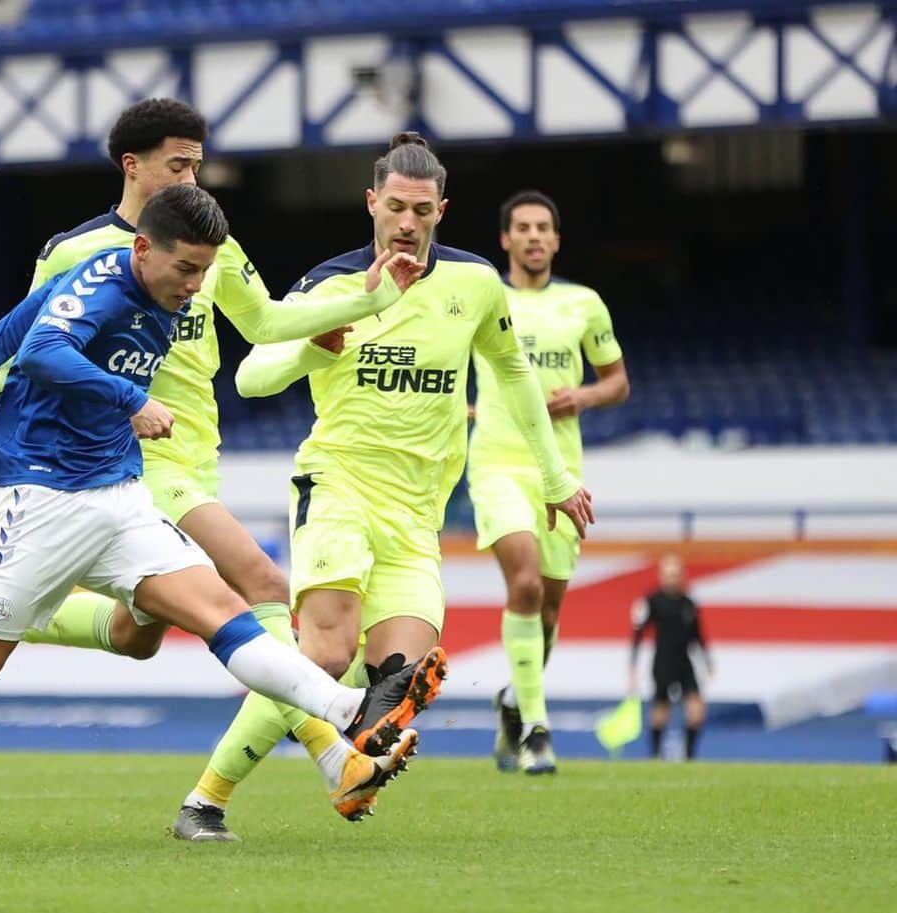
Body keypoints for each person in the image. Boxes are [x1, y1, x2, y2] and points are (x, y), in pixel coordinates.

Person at [0, 185, 446, 826]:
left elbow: (36, 308)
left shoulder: (152, 282)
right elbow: (42, 347)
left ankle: (348, 712)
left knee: (224, 610)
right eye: (186, 269)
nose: (196, 286)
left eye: (204, 270)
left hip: (119, 496)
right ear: (144, 248)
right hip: (46, 500)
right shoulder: (108, 288)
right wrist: (127, 397)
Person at [173, 133, 594, 840]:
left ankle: (353, 756)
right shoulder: (333, 286)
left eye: (421, 210)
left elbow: (514, 375)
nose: (406, 221)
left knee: (403, 677)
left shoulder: (475, 285)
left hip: (416, 517)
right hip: (336, 488)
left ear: (441, 211)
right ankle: (205, 801)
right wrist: (317, 339)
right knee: (326, 654)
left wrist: (554, 477)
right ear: (372, 203)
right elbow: (250, 376)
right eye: (394, 206)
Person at [470, 190, 630, 775]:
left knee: (550, 611)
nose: (534, 236)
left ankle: (514, 700)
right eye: (523, 227)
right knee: (527, 584)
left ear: (556, 240)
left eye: (544, 227)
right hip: (496, 463)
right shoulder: (483, 297)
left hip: (560, 472)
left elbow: (617, 381)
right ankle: (538, 729)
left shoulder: (584, 303)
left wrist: (584, 394)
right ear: (506, 240)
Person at [628, 553, 713, 760]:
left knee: (696, 711)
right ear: (662, 576)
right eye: (668, 574)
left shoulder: (689, 603)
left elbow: (698, 636)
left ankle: (689, 756)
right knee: (660, 711)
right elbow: (638, 634)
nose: (672, 578)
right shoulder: (652, 601)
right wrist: (633, 666)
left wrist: (708, 661)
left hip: (685, 663)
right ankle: (655, 755)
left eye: (676, 574)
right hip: (663, 663)